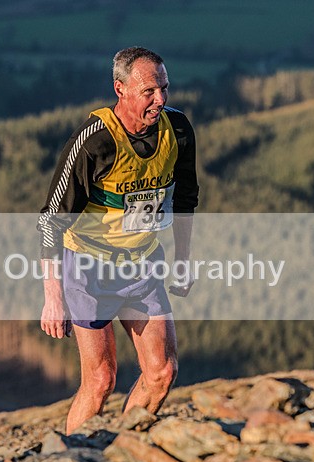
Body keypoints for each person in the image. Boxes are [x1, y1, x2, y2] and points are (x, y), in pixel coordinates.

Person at [38, 47, 198, 434]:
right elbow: (50, 221)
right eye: (149, 92)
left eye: (164, 88)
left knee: (162, 372)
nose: (160, 99)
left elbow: (187, 198)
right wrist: (53, 296)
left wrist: (183, 259)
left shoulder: (176, 129)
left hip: (142, 264)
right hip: (88, 270)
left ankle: (122, 448)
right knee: (100, 382)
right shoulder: (94, 142)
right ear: (120, 89)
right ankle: (71, 460)